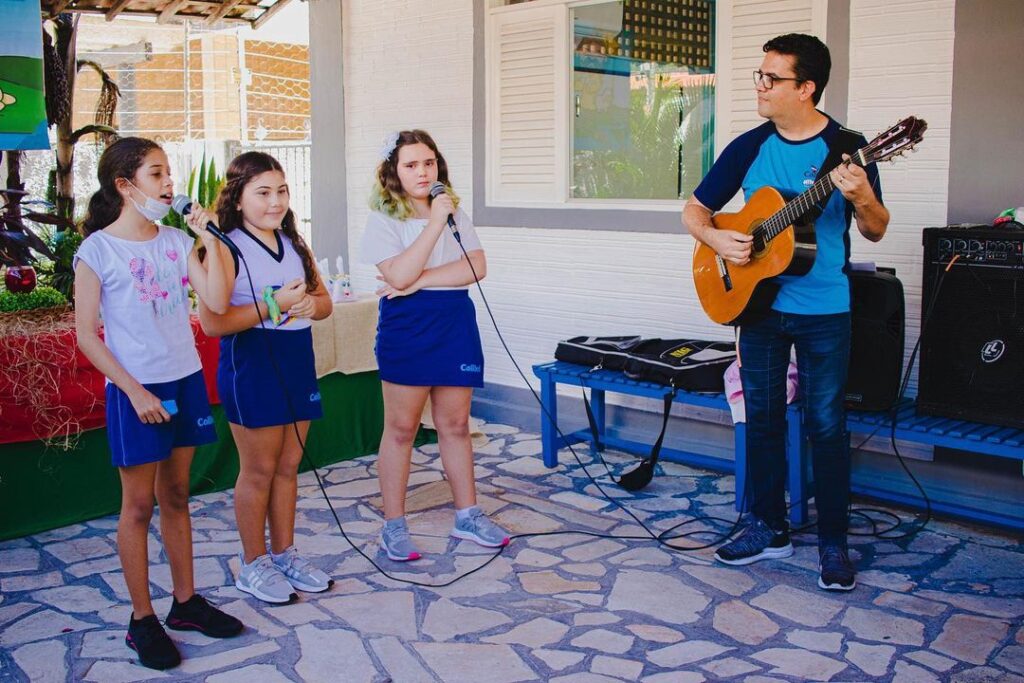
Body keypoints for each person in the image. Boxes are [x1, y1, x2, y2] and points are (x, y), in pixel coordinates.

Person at [683, 34, 889, 591]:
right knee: (763, 419)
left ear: (806, 88)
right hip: (758, 308)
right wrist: (718, 240)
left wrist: (862, 196)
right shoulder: (749, 145)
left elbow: (875, 228)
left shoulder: (848, 148)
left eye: (771, 78)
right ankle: (766, 526)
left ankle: (833, 544)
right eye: (760, 75)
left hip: (825, 310)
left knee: (827, 425)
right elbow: (695, 210)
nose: (760, 86)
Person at [74, 137, 243, 670]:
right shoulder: (97, 251)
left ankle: (185, 603)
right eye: (156, 173)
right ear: (125, 185)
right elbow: (86, 336)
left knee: (176, 494)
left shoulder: (174, 241)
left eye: (169, 172)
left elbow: (216, 300)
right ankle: (142, 619)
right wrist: (135, 391)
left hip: (184, 379)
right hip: (137, 389)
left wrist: (209, 239)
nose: (169, 183)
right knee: (138, 505)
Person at [360, 129, 509, 561]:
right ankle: (394, 525)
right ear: (394, 171)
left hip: (454, 323)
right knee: (402, 429)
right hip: (407, 327)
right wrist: (434, 226)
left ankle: (468, 515)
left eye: (429, 162)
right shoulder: (383, 220)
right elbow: (397, 275)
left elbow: (476, 266)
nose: (423, 172)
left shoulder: (453, 209)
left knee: (456, 424)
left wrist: (417, 280)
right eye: (411, 164)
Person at [197, 152, 334, 604]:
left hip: (296, 359)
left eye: (282, 191)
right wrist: (275, 305)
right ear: (237, 198)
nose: (275, 202)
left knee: (289, 466)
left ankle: (284, 554)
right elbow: (213, 322)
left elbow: (324, 302)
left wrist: (310, 305)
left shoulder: (294, 243)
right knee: (258, 470)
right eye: (263, 193)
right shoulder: (224, 246)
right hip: (251, 363)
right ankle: (253, 563)